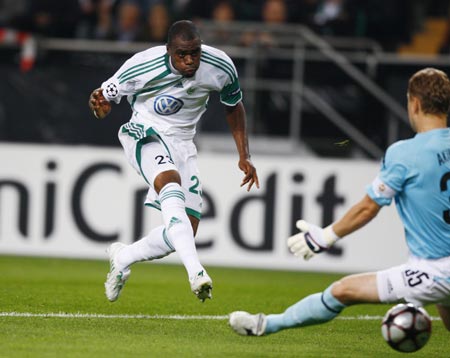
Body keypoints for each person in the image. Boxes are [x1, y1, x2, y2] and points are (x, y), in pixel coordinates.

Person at [229, 67, 450, 334]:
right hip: (436, 273)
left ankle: (264, 325)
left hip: (434, 269)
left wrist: (325, 237)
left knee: (342, 290)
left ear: (414, 103)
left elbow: (368, 207)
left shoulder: (404, 154)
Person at [89, 20, 259, 302]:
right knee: (169, 181)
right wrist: (99, 108)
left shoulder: (221, 66)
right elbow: (101, 99)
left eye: (195, 52)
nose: (190, 60)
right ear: (168, 50)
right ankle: (196, 272)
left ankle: (123, 256)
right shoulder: (141, 65)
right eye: (182, 54)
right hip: (144, 130)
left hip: (182, 143)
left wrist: (244, 155)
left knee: (184, 232)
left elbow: (233, 106)